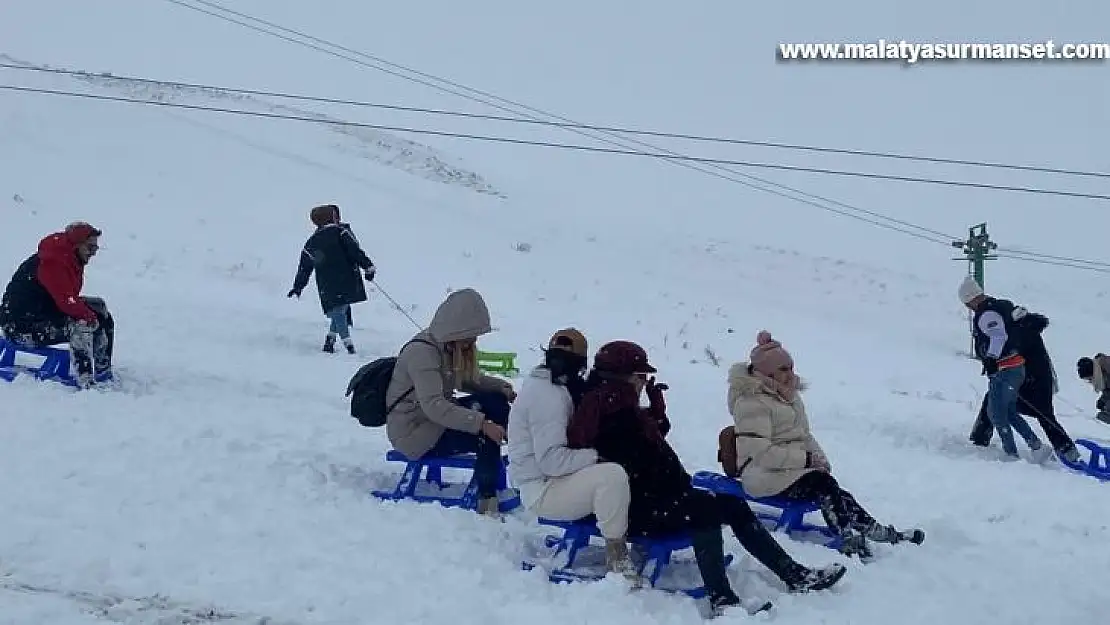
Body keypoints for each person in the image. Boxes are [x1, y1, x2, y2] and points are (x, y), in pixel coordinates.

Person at [567, 340, 845, 614]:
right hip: (638, 509)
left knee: (732, 504)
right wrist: (671, 480)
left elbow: (648, 445)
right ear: (620, 378)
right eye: (641, 376)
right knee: (704, 511)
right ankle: (721, 598)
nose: (644, 382)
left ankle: (793, 574)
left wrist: (656, 414)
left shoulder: (619, 407)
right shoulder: (607, 412)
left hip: (661, 497)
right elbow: (632, 464)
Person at [720, 331, 925, 562]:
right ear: (766, 373)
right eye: (783, 370)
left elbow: (803, 435)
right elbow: (762, 454)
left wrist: (819, 458)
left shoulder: (788, 396)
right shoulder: (751, 402)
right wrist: (807, 461)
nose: (790, 374)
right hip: (761, 473)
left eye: (791, 367)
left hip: (789, 468)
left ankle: (878, 532)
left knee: (834, 491)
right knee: (823, 485)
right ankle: (846, 538)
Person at [506, 328, 638, 583]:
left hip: (548, 480)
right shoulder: (549, 396)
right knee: (612, 476)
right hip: (542, 490)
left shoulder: (552, 386)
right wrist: (596, 456)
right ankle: (617, 555)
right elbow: (552, 461)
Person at [384, 288, 516, 517]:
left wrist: (501, 387)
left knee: (494, 402)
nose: (473, 342)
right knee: (485, 427)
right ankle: (487, 496)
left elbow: (464, 380)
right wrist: (483, 424)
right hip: (415, 434)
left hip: (432, 424)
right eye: (470, 337)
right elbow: (435, 406)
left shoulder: (444, 346)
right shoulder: (422, 354)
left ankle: (489, 486)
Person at [0, 222, 114, 388]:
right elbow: (67, 301)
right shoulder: (54, 262)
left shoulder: (71, 257)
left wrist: (92, 313)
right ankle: (86, 382)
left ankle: (103, 369)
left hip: (42, 311)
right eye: (90, 248)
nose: (93, 253)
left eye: (95, 249)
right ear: (77, 245)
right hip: (19, 325)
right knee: (80, 324)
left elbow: (67, 298)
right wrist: (89, 317)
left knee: (99, 308)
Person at [958, 275, 1053, 462]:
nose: (967, 307)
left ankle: (1011, 455)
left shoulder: (987, 314)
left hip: (1006, 369)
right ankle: (1037, 446)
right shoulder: (996, 307)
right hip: (1014, 367)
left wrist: (992, 359)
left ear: (972, 298)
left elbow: (998, 337)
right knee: (1008, 411)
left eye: (967, 302)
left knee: (997, 413)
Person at [968, 310, 1080, 462]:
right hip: (1030, 379)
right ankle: (982, 437)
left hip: (1031, 380)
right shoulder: (1026, 331)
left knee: (1036, 412)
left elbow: (1011, 353)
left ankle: (1063, 449)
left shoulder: (1021, 334)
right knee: (1001, 404)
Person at [287, 204, 376, 354]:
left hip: (327, 283)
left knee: (339, 310)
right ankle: (349, 345)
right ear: (329, 218)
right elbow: (355, 251)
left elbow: (304, 267)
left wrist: (298, 286)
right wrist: (368, 267)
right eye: (334, 215)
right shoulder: (341, 233)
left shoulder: (312, 242)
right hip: (346, 278)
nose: (338, 217)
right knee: (340, 310)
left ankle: (330, 340)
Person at [1076, 355, 1110, 425]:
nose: (1090, 381)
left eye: (1089, 379)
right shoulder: (1101, 373)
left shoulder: (1107, 366)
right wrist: (1103, 400)